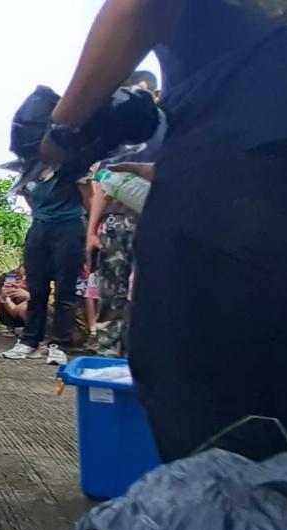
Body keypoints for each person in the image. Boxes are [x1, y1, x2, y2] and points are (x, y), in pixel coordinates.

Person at [48, 0, 287, 461]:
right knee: (263, 374)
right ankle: (278, 498)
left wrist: (61, 129)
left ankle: (236, 502)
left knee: (189, 367)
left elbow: (139, 7)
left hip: (240, 145)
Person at [85, 71, 164, 357]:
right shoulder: (116, 133)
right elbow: (104, 187)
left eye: (140, 93)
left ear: (156, 95)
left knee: (152, 293)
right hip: (116, 222)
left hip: (157, 221)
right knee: (111, 293)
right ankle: (108, 356)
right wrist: (92, 232)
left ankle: (146, 358)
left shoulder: (170, 128)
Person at [0, 163, 86, 366]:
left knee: (65, 291)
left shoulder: (74, 168)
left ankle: (60, 345)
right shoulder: (28, 172)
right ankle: (29, 341)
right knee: (37, 289)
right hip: (39, 230)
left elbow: (89, 200)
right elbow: (33, 204)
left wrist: (89, 236)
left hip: (70, 229)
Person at [0, 267, 29, 336]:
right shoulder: (8, 277)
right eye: (20, 277)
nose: (24, 279)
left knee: (26, 306)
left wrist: (28, 296)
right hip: (14, 310)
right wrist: (5, 297)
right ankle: (10, 327)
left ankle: (34, 331)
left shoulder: (41, 277)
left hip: (32, 310)